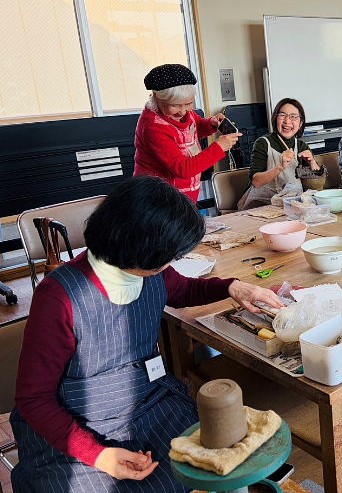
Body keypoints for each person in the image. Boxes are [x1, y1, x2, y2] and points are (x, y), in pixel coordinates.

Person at [11, 176, 285, 492]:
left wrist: (233, 287)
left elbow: (182, 290)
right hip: (76, 422)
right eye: (169, 258)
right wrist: (100, 455)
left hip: (146, 401)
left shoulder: (148, 269)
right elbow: (34, 399)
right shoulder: (60, 298)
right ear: (140, 250)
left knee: (210, 463)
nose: (171, 264)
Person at [134, 63, 241, 202]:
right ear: (156, 98)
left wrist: (211, 123)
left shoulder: (185, 113)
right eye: (174, 105)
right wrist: (219, 147)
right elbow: (182, 169)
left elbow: (194, 128)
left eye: (188, 103)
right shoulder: (153, 126)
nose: (182, 111)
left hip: (183, 195)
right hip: (158, 198)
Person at [238, 98, 320, 210]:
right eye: (282, 115)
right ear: (275, 118)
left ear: (300, 123)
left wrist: (312, 162)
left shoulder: (302, 146)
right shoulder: (263, 143)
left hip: (292, 203)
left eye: (293, 117)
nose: (287, 121)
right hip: (262, 204)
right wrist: (280, 167)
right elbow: (256, 182)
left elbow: (316, 185)